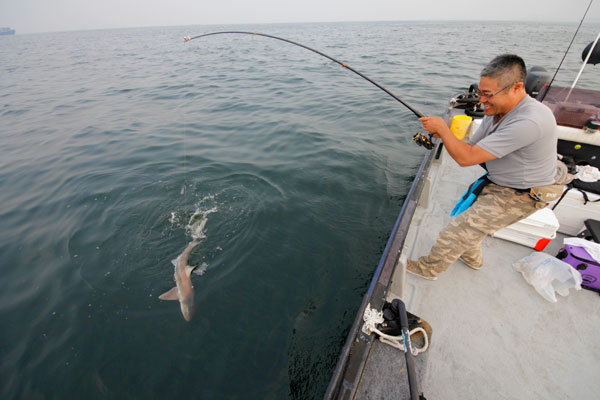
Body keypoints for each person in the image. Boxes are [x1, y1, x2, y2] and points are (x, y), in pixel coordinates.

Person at [407, 54, 557, 280]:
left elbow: (466, 158)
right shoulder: (496, 110)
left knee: (458, 231)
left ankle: (427, 269)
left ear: (516, 88)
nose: (482, 100)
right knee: (473, 226)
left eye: (488, 94)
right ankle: (472, 258)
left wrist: (444, 129)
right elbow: (471, 148)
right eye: (480, 92)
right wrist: (443, 134)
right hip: (499, 181)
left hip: (523, 193)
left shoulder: (530, 121)